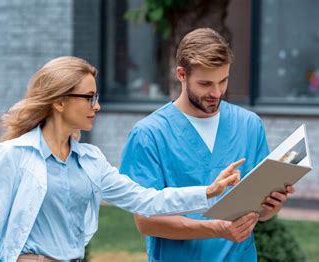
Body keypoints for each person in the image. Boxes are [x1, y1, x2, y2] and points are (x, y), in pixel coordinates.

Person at [0, 56, 245, 261]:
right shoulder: (14, 155)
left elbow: (146, 200)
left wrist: (208, 192)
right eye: (89, 97)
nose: (97, 106)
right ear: (59, 102)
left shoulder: (90, 160)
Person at [120, 28, 295, 261]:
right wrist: (217, 229)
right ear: (181, 75)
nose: (216, 92)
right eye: (205, 83)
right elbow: (146, 222)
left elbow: (259, 210)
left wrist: (271, 207)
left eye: (223, 81)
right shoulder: (149, 134)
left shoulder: (249, 125)